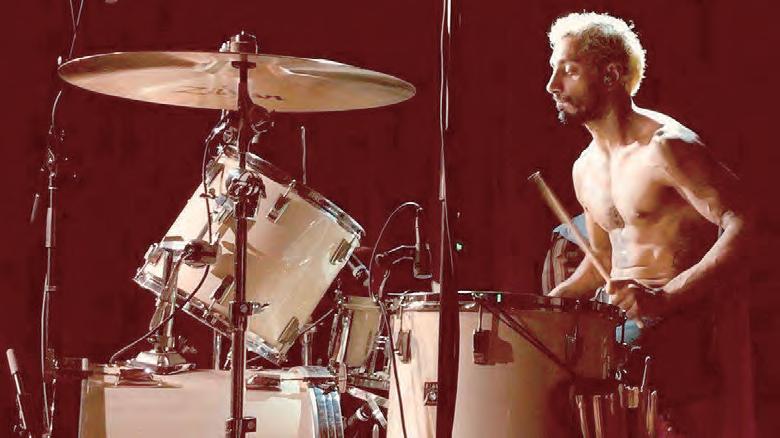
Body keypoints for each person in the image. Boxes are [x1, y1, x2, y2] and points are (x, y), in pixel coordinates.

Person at [544, 12, 754, 437]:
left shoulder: (667, 147)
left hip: (679, 327)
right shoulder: (584, 167)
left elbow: (746, 225)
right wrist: (550, 305)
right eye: (553, 70)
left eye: (569, 70)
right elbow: (602, 257)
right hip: (617, 330)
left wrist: (665, 297)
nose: (552, 85)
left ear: (610, 75)